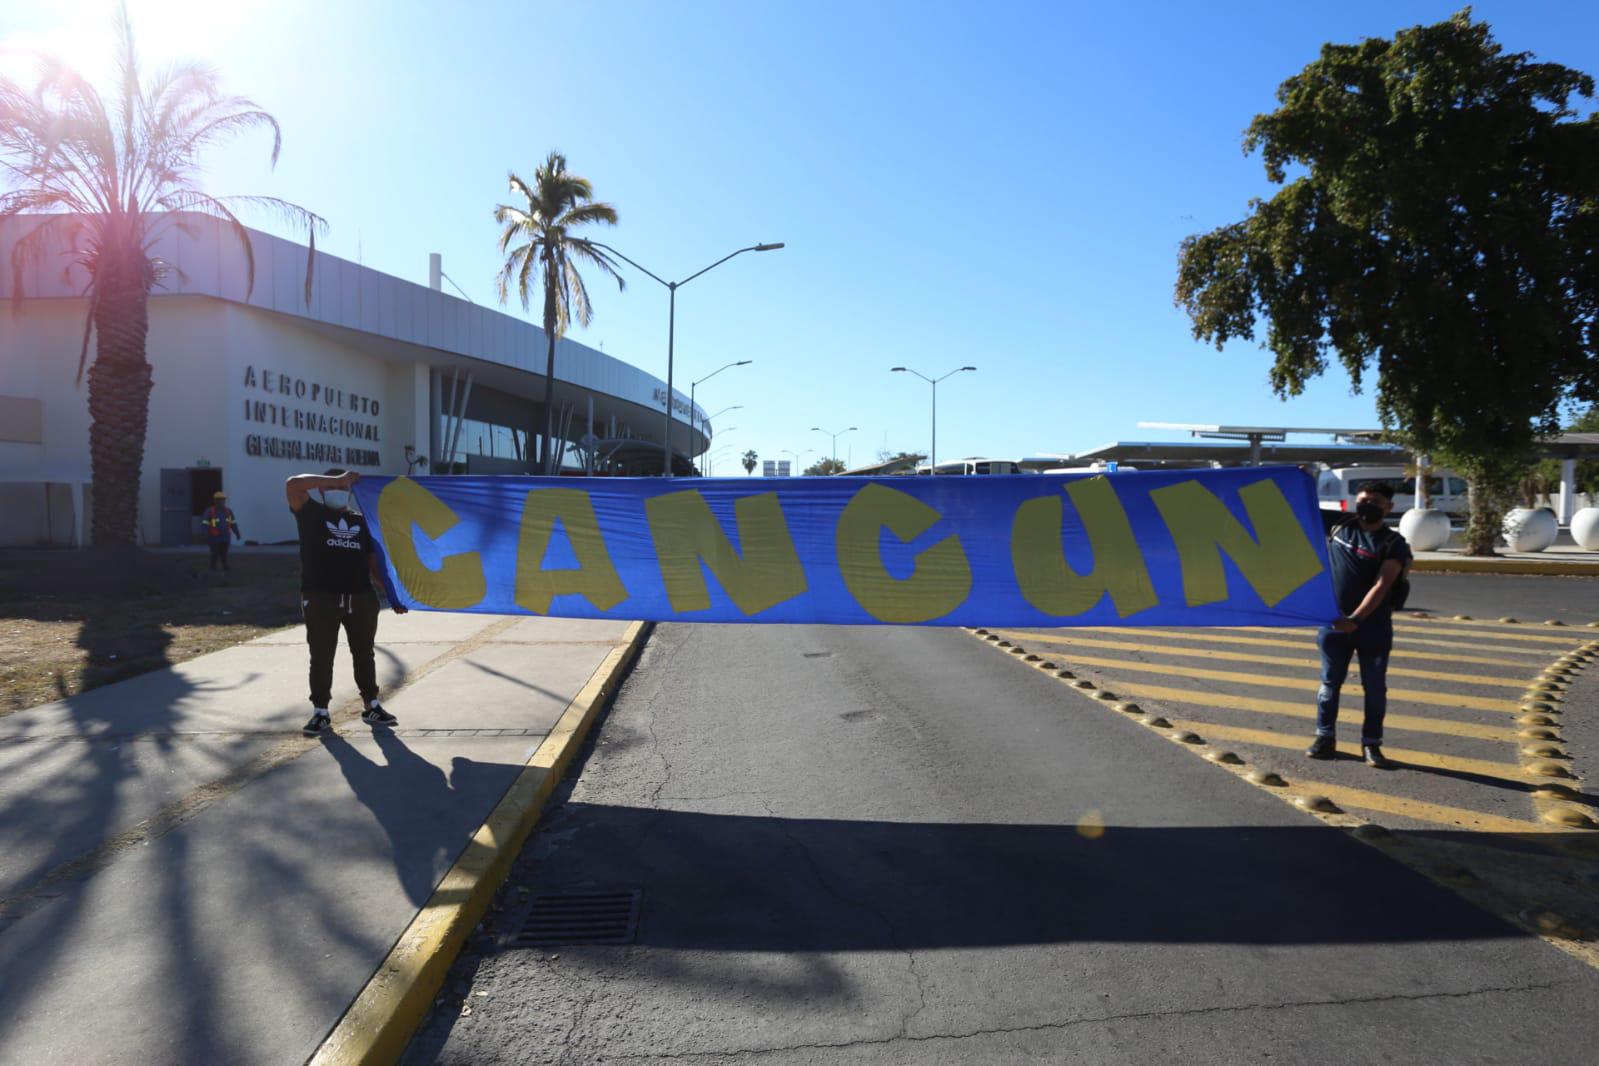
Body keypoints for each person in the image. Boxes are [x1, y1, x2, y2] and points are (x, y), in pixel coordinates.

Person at [285, 469, 408, 737]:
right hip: (321, 597)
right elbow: (293, 485)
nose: (339, 491)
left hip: (360, 597)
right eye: (333, 487)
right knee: (321, 655)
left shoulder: (362, 521)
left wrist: (392, 594)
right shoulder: (311, 514)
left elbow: (373, 565)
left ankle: (371, 705)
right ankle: (320, 711)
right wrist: (337, 480)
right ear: (322, 489)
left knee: (364, 652)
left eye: (344, 488)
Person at [1307, 482, 1412, 769]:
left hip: (1372, 627)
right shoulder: (1340, 525)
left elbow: (1382, 584)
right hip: (1333, 624)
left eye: (1376, 501)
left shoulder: (1394, 543)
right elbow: (1298, 509)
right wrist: (1306, 477)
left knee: (1375, 687)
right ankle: (1324, 738)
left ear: (1389, 507)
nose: (1368, 505)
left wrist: (1356, 619)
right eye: (1364, 499)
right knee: (1329, 683)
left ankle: (1371, 745)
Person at [201, 491, 241, 574]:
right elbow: (205, 523)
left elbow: (233, 523)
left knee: (224, 553)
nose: (221, 501)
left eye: (222, 500)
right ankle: (212, 567)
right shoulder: (210, 511)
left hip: (225, 537)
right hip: (213, 537)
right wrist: (205, 534)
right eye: (219, 500)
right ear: (215, 501)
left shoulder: (228, 511)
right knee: (214, 553)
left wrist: (237, 533)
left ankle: (225, 566)